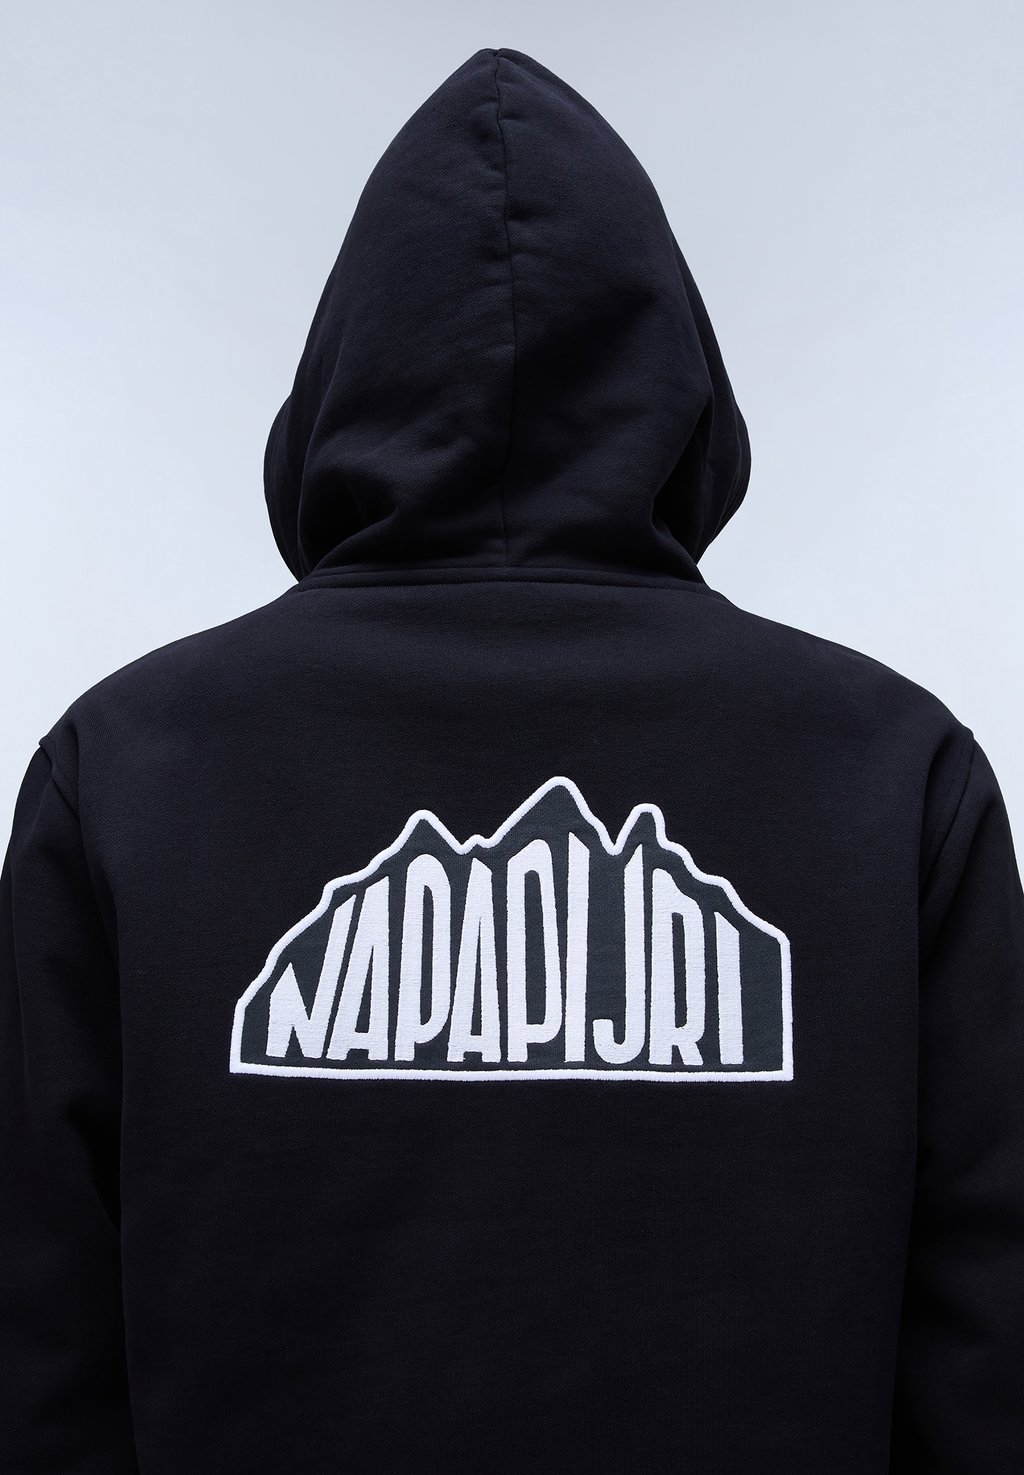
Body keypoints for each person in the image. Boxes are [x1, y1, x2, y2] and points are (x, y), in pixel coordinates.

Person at [1, 45, 1021, 1475]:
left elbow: (42, 1368)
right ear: (679, 384)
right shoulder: (894, 775)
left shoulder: (126, 770)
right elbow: (986, 1368)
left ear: (340, 378)